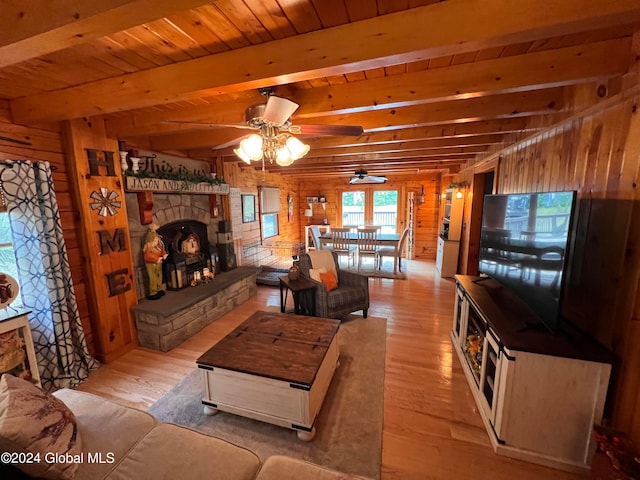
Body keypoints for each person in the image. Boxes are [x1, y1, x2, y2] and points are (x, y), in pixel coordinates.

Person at [143, 224, 168, 300]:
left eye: (157, 241)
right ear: (150, 241)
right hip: (152, 266)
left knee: (159, 276)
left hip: (158, 264)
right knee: (153, 278)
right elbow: (148, 256)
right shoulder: (148, 250)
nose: (156, 243)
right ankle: (153, 292)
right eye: (155, 241)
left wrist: (164, 254)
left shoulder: (158, 247)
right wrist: (157, 258)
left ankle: (159, 288)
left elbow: (162, 251)